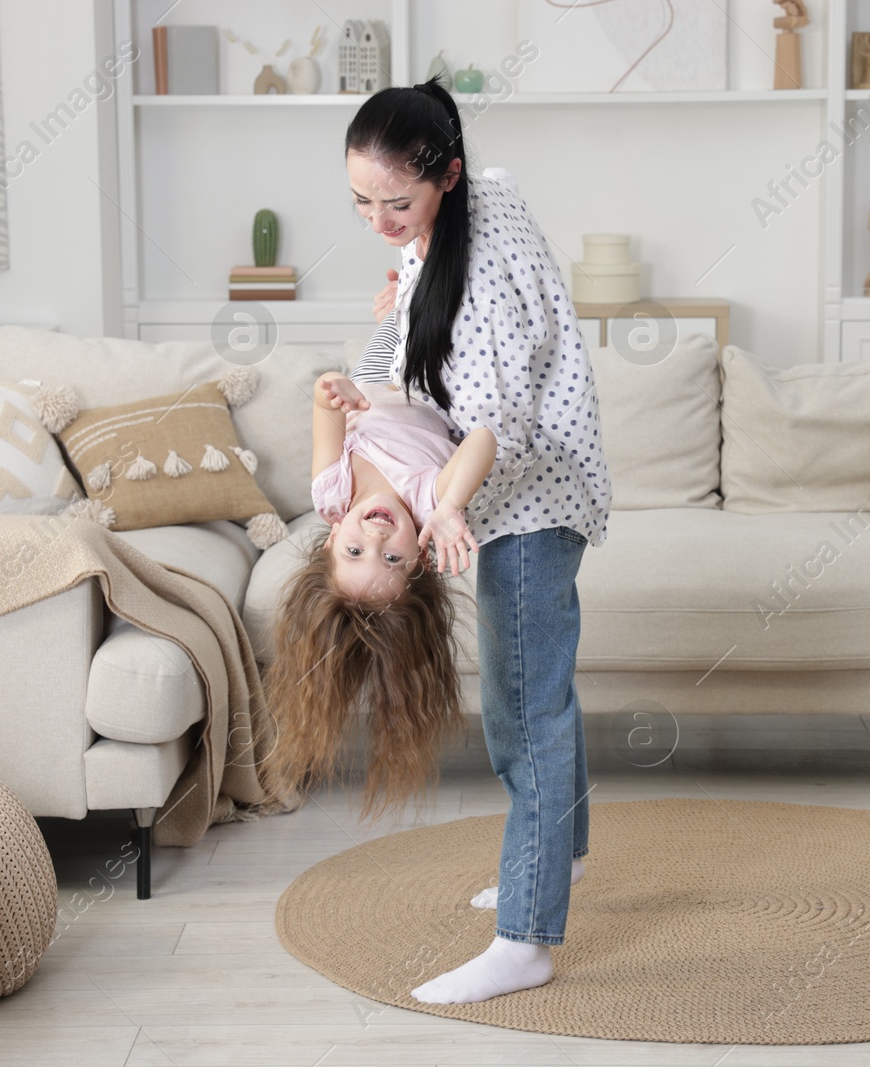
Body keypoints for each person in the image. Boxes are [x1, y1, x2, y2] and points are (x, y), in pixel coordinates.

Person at [342, 73, 612, 1004]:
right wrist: (394, 316)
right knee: (525, 695)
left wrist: (448, 507)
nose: (380, 220)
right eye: (362, 202)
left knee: (527, 710)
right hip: (503, 489)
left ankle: (527, 940)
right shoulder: (453, 217)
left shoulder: (485, 255)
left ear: (447, 175)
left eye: (398, 201)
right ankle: (563, 856)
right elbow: (405, 369)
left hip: (525, 495)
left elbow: (497, 417)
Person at [258, 368, 495, 823]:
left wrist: (336, 392)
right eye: (390, 560)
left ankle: (401, 298)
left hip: (376, 370)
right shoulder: (429, 503)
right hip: (433, 373)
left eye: (354, 551)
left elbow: (324, 399)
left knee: (402, 300)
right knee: (421, 299)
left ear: (330, 540)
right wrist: (450, 506)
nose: (377, 536)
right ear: (420, 559)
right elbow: (483, 439)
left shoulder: (331, 492)